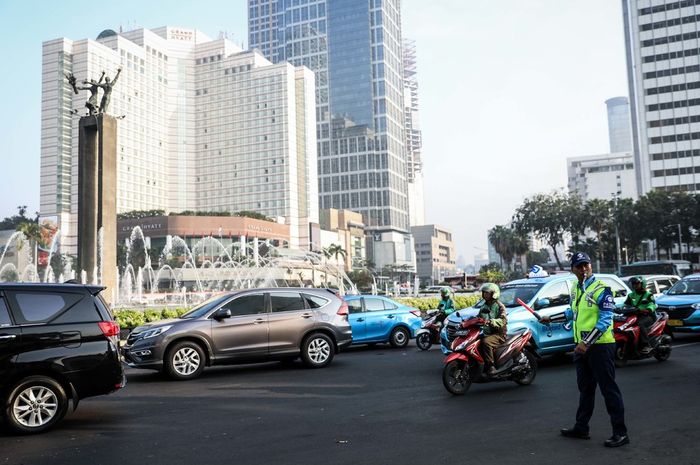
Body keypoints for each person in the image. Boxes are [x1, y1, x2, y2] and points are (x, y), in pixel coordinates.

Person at [540, 252, 628, 448]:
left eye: (586, 265)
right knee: (585, 390)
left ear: (591, 266)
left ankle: (621, 433)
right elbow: (573, 312)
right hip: (582, 348)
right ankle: (581, 427)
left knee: (609, 390)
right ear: (572, 269)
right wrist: (551, 318)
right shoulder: (575, 288)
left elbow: (606, 320)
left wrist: (586, 342)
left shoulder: (602, 289)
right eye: (579, 266)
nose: (583, 269)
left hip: (600, 347)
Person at [477, 282, 507, 377]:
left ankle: (491, 366)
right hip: (487, 332)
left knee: (486, 342)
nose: (485, 294)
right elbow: (479, 317)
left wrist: (491, 321)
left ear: (494, 294)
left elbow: (503, 321)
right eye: (484, 292)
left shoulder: (499, 306)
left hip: (499, 334)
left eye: (487, 293)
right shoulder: (484, 306)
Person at [624, 276, 656, 354]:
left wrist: (648, 309)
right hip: (635, 315)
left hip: (648, 316)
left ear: (643, 284)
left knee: (639, 324)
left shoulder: (648, 294)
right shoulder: (631, 295)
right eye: (633, 284)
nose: (634, 285)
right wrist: (617, 308)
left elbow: (652, 305)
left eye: (637, 283)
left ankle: (646, 345)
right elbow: (625, 305)